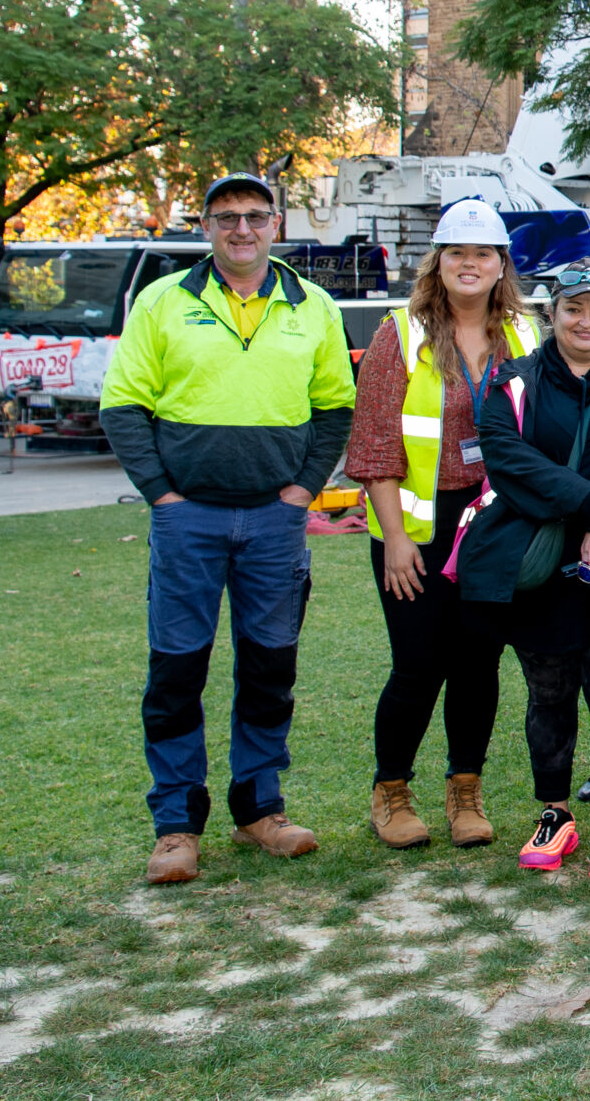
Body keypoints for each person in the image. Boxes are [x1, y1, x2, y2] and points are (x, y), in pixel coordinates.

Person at [102, 172, 357, 886]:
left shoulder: (313, 307)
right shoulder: (162, 302)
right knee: (178, 669)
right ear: (205, 227)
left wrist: (302, 490)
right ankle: (176, 825)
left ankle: (260, 808)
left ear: (276, 224)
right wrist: (162, 495)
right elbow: (122, 405)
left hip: (275, 523)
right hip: (189, 520)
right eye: (225, 218)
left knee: (271, 666)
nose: (241, 229)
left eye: (253, 216)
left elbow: (336, 407)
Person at [455, 260, 590, 880]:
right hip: (542, 568)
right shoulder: (515, 381)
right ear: (551, 314)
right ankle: (554, 812)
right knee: (548, 696)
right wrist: (586, 505)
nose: (586, 321)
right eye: (573, 309)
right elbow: (507, 459)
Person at [345, 197, 541, 851]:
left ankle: (466, 790)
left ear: (500, 264)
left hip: (491, 527)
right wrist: (394, 538)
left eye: (482, 252)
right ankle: (392, 791)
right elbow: (374, 445)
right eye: (456, 251)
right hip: (418, 529)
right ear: (438, 260)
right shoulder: (399, 334)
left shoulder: (525, 334)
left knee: (479, 661)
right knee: (419, 662)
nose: (469, 263)